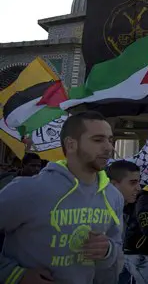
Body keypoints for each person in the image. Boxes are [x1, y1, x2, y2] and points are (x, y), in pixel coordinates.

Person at [0, 111, 124, 284]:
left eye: (110, 140)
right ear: (71, 144)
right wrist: (13, 275)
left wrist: (107, 250)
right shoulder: (28, 190)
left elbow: (115, 250)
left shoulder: (113, 195)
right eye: (98, 140)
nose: (109, 148)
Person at [98, 160, 142, 284]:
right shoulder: (102, 213)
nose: (138, 188)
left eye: (139, 182)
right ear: (114, 184)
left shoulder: (125, 210)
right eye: (133, 183)